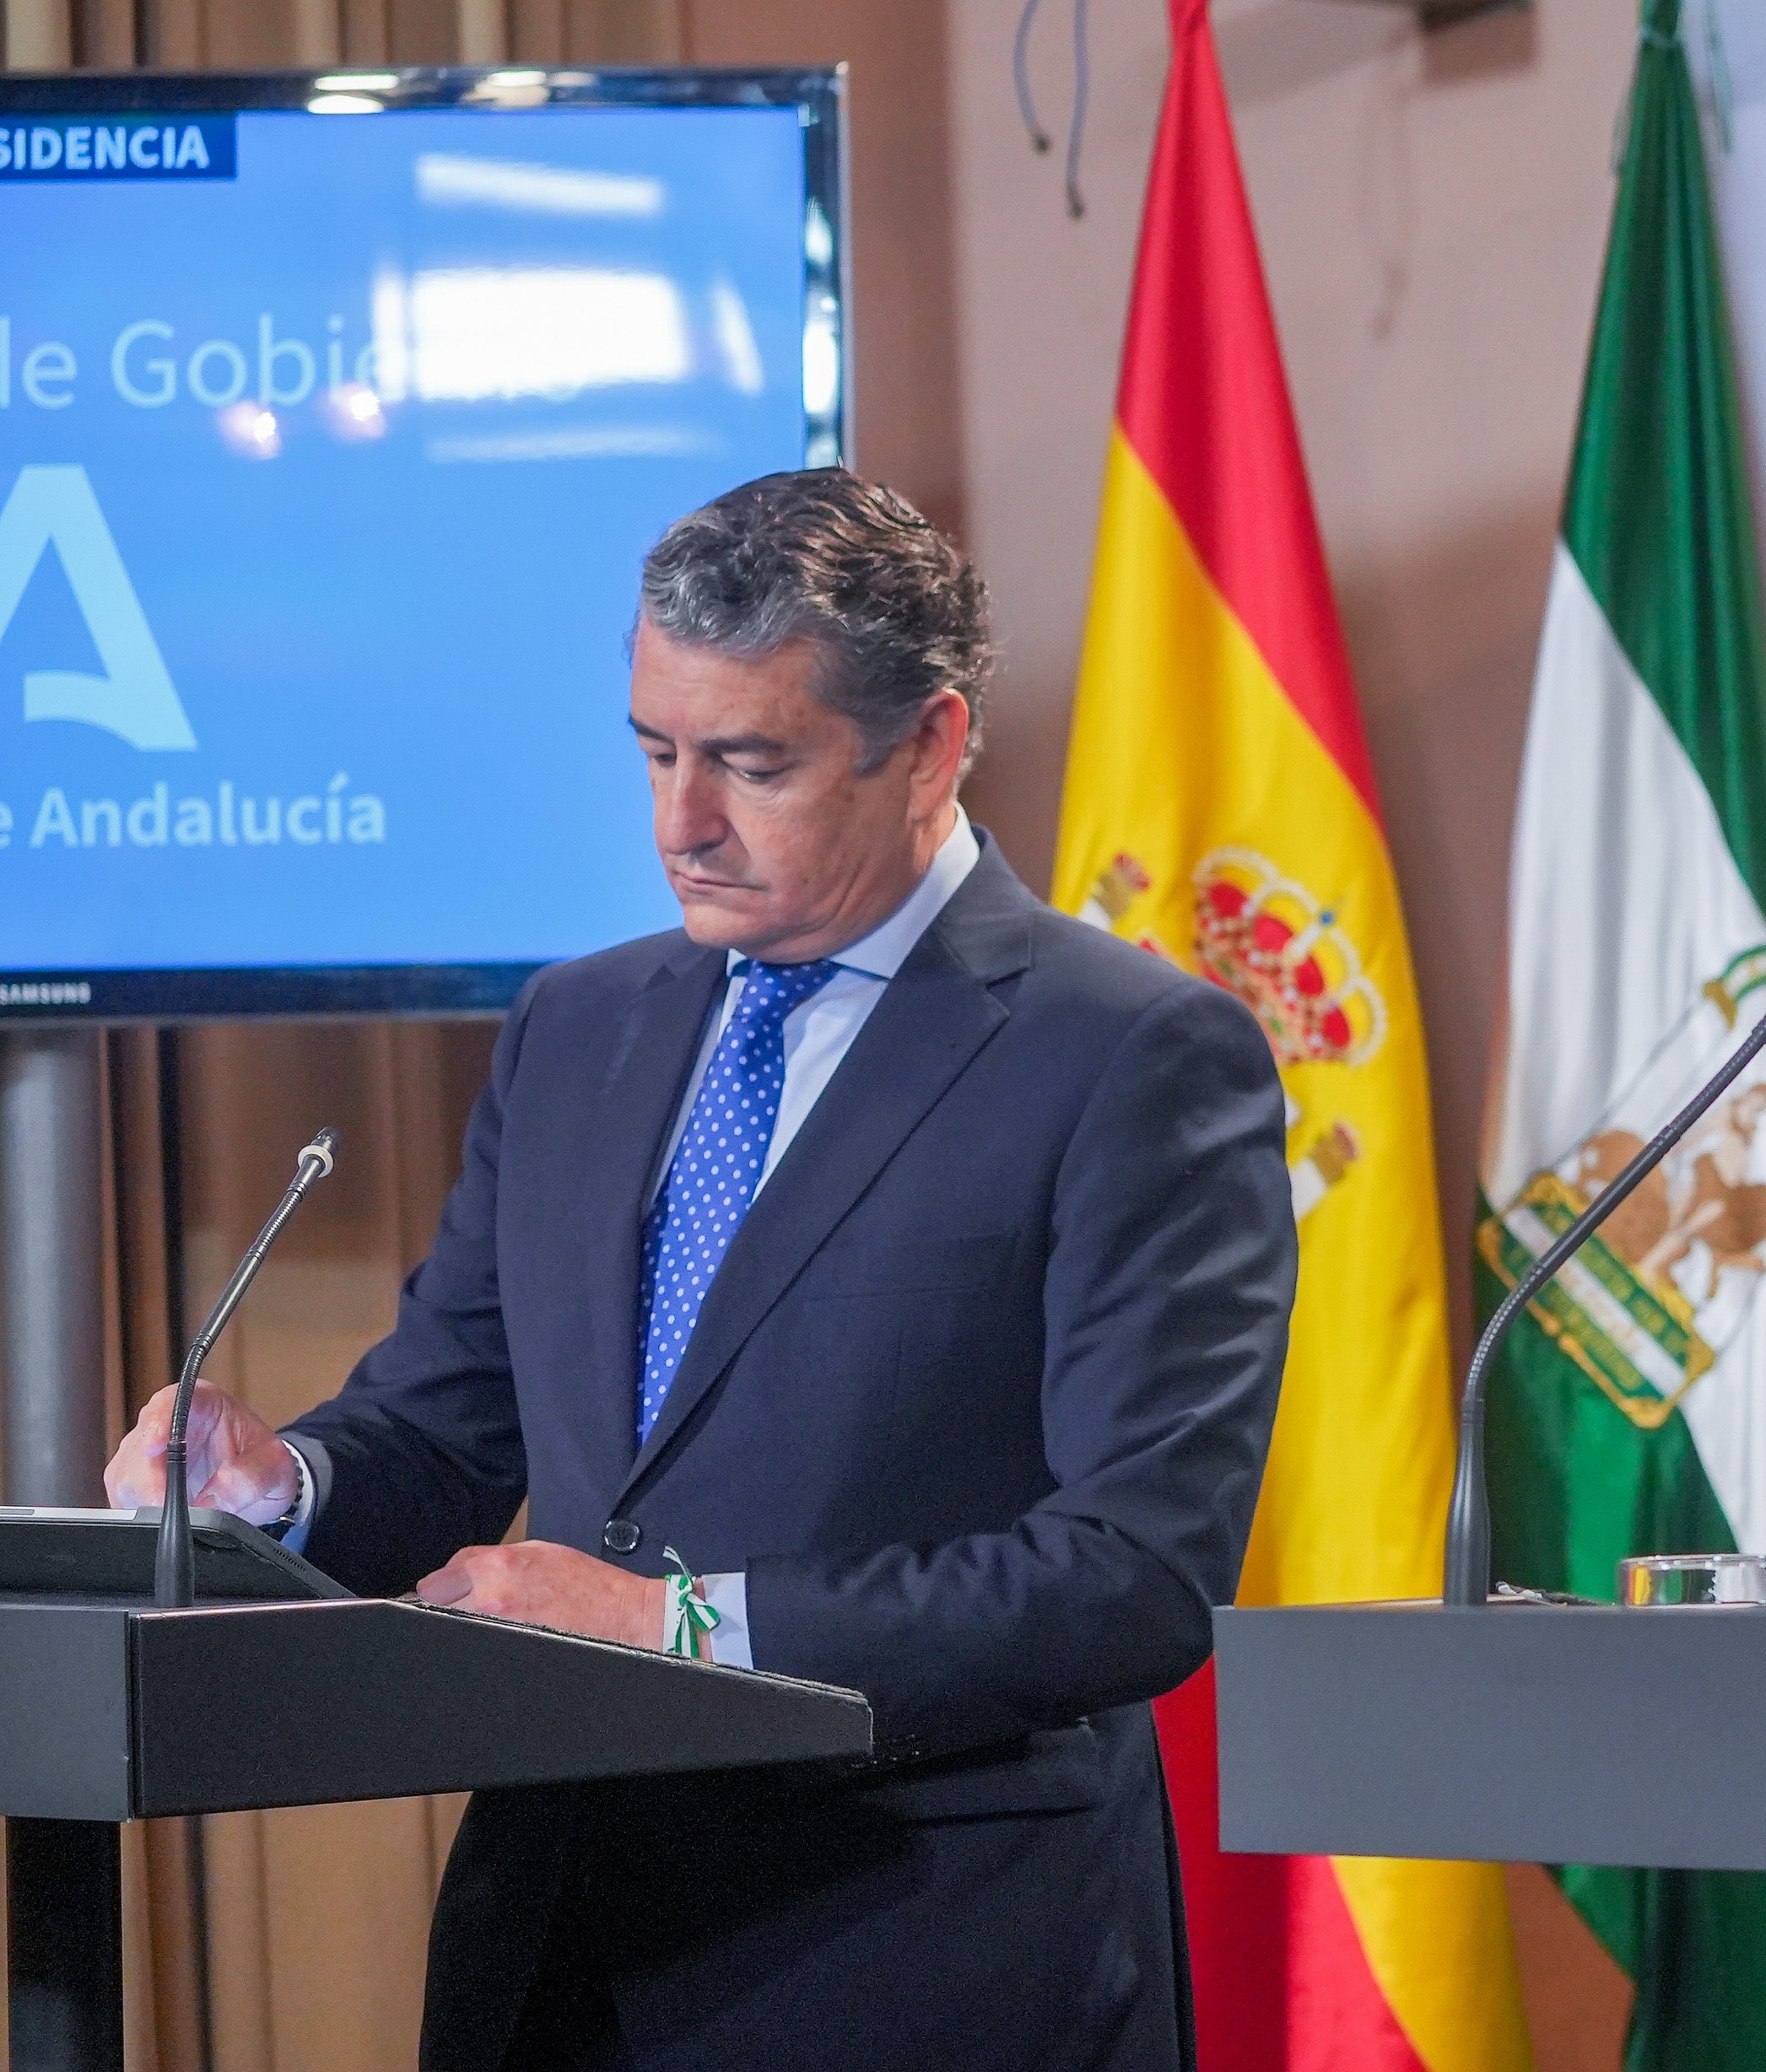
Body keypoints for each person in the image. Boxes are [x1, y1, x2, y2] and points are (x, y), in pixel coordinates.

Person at [106, 471, 1293, 2072]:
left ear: (931, 747)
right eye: (657, 753)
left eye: (752, 763)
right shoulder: (579, 1027)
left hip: (927, 1957)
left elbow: (1133, 1577)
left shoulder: (1135, 1056)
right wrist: (285, 1484)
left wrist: (676, 1628)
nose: (680, 823)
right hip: (565, 1954)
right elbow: (446, 1437)